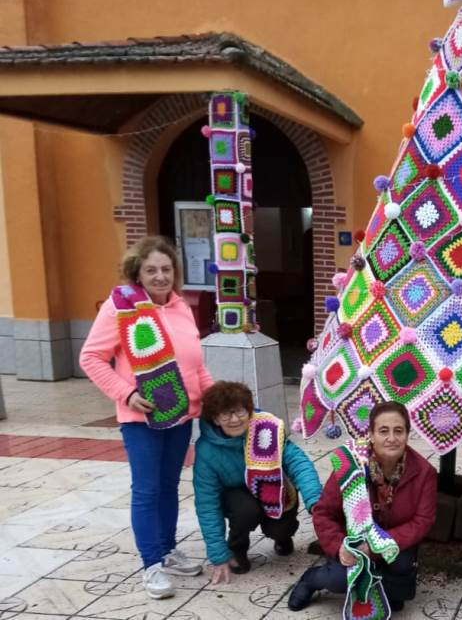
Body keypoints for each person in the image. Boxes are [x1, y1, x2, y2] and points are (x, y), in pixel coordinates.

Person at [80, 235, 213, 599]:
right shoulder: (119, 307)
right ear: (137, 272)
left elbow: (195, 366)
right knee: (147, 490)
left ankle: (168, 550)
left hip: (181, 416)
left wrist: (216, 398)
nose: (160, 276)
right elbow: (90, 358)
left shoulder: (182, 308)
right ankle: (151, 564)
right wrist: (127, 393)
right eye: (151, 269)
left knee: (169, 487)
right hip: (141, 420)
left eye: (166, 269)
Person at [288, 401, 437, 612]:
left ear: (407, 434)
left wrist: (375, 547)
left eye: (399, 431)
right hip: (351, 541)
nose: (392, 438)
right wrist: (340, 547)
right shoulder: (350, 466)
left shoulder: (424, 472)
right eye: (383, 431)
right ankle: (312, 579)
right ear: (371, 434)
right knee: (340, 580)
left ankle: (386, 586)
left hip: (392, 541)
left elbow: (422, 521)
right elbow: (324, 513)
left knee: (401, 586)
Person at [192, 381, 322, 584]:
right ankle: (236, 548)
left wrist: (315, 500)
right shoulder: (206, 450)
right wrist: (217, 555)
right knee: (245, 510)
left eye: (240, 412)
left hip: (273, 487)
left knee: (281, 527)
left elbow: (298, 463)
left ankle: (283, 537)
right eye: (226, 414)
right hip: (236, 495)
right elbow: (206, 504)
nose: (234, 419)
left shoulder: (266, 429)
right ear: (215, 419)